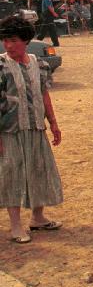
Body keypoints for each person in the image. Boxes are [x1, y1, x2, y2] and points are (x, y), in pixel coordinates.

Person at [0, 15, 63, 244]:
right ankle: (16, 226)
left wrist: (53, 122)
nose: (9, 45)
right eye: (5, 40)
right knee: (12, 175)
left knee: (39, 170)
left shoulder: (38, 63)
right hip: (10, 131)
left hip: (36, 127)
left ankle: (38, 217)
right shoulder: (1, 65)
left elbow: (44, 93)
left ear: (26, 40)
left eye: (13, 40)